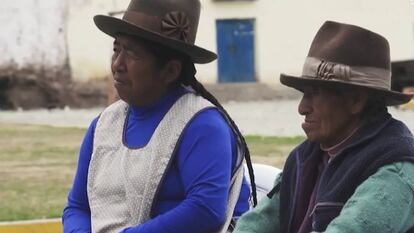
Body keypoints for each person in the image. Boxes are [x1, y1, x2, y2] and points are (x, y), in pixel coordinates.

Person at [62, 0, 258, 232]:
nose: (118, 64)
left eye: (132, 54)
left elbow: (205, 210)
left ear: (170, 71)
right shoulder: (103, 125)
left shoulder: (202, 124)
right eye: (116, 49)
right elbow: (77, 206)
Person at [234, 21, 414, 233]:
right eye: (303, 94)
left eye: (315, 93)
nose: (302, 108)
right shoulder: (305, 157)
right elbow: (257, 223)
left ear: (356, 100)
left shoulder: (396, 169)